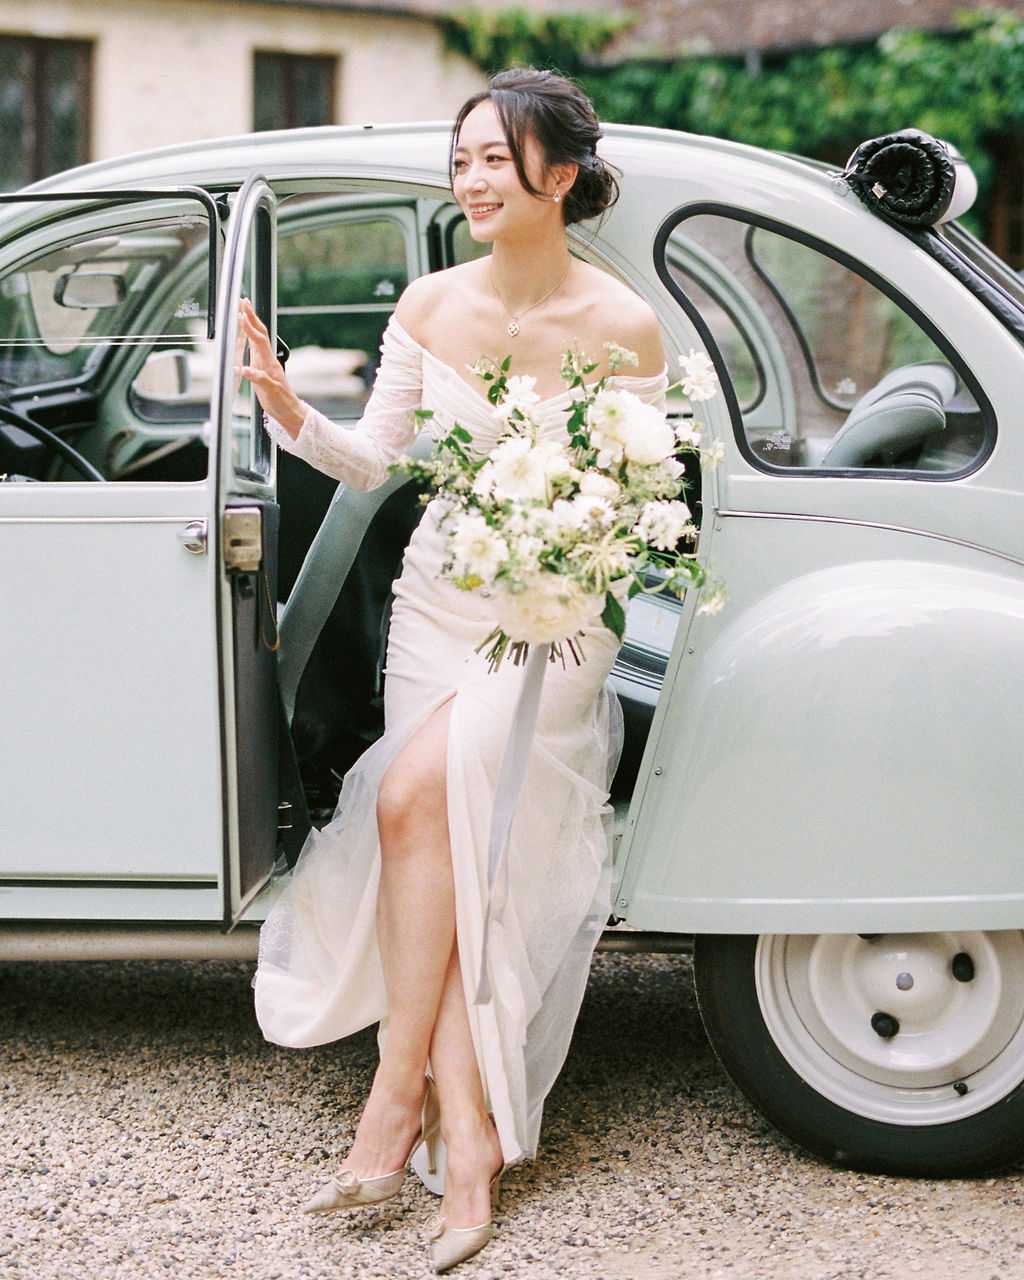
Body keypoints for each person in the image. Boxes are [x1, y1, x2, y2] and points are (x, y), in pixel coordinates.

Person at [243, 66, 668, 1273]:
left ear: (561, 175)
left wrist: (566, 540)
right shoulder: (429, 302)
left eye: (495, 159)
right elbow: (374, 458)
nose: (471, 180)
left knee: (409, 794)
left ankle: (393, 1104)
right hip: (437, 604)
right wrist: (286, 409)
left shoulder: (623, 324)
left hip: (552, 621)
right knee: (435, 831)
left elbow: (637, 502)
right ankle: (460, 1131)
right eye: (462, 159)